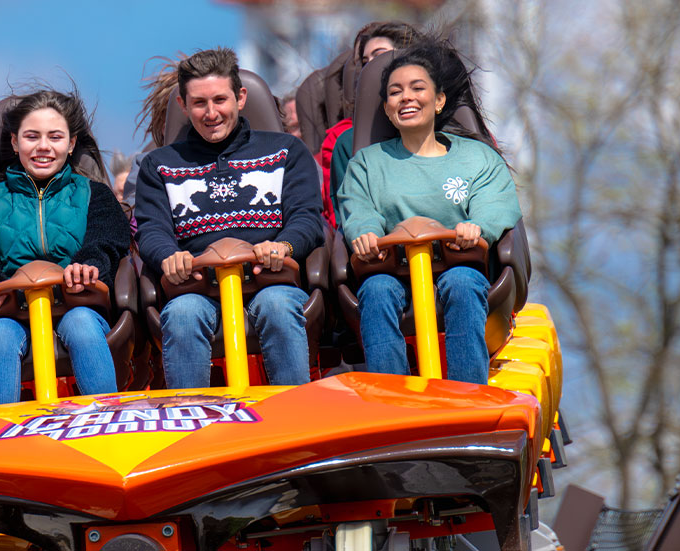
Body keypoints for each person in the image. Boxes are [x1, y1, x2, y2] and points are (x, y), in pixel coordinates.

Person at [133, 48, 325, 389]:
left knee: (277, 306)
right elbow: (152, 231)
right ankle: (192, 416)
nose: (211, 113)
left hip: (270, 279)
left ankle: (294, 411)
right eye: (199, 103)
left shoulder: (286, 151)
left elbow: (307, 218)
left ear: (240, 97)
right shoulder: (158, 165)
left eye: (220, 100)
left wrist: (283, 246)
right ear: (183, 106)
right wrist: (169, 256)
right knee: (182, 315)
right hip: (197, 286)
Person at [337, 44, 518, 384]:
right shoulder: (367, 163)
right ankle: (392, 395)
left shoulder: (477, 158)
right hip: (394, 271)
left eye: (417, 88)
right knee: (376, 290)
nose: (406, 97)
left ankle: (467, 393)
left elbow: (495, 204)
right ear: (387, 108)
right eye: (395, 92)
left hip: (458, 265)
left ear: (439, 100)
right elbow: (357, 207)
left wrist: (477, 227)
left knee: (462, 283)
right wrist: (365, 232)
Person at [0, 90, 131, 406]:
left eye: (55, 137)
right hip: (12, 312)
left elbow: (107, 240)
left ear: (71, 144)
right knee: (0, 336)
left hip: (77, 304)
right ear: (14, 142)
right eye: (32, 137)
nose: (43, 146)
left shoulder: (96, 196)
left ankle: (106, 415)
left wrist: (89, 263)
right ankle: (2, 427)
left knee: (81, 325)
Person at [315, 21, 425, 227]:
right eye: (365, 62)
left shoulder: (459, 141)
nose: (371, 67)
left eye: (380, 56)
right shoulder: (348, 142)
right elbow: (343, 219)